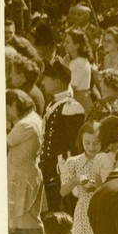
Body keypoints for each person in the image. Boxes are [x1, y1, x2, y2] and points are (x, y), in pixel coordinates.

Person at [60, 120, 105, 234]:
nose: (92, 147)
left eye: (96, 143)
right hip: (84, 209)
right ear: (81, 141)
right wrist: (77, 180)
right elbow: (63, 191)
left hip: (103, 206)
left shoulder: (105, 159)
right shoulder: (74, 162)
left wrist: (97, 185)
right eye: (87, 143)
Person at [39, 60, 85, 214]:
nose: (43, 81)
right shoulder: (55, 103)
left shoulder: (71, 106)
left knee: (65, 210)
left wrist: (73, 171)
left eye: (46, 78)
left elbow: (76, 144)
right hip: (51, 166)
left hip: (63, 168)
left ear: (57, 82)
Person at [6, 89, 45, 234]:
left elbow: (6, 141)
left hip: (26, 175)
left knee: (31, 216)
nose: (7, 111)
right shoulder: (31, 118)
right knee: (25, 216)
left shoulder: (25, 124)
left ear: (15, 105)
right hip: (24, 174)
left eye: (8, 106)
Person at [61, 28, 95, 112]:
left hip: (81, 101)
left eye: (68, 42)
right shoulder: (72, 61)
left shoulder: (80, 62)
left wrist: (64, 66)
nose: (64, 44)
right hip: (75, 100)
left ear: (77, 45)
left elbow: (71, 85)